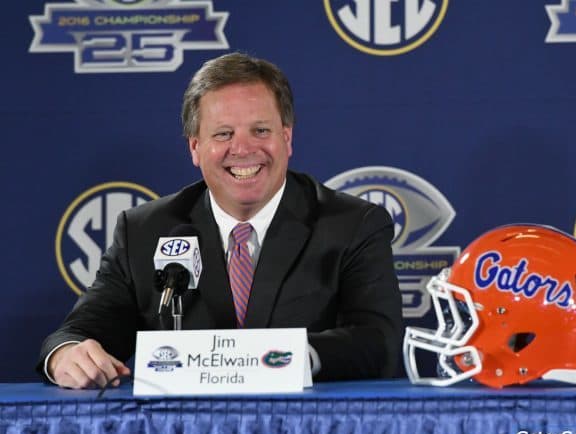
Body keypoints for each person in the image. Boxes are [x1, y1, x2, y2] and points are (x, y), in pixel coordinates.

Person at [38, 52, 403, 389]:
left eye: (260, 130)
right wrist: (66, 355)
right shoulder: (146, 232)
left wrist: (279, 361)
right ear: (195, 147)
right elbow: (79, 332)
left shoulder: (352, 225)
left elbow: (379, 343)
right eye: (223, 134)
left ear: (287, 138)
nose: (243, 149)